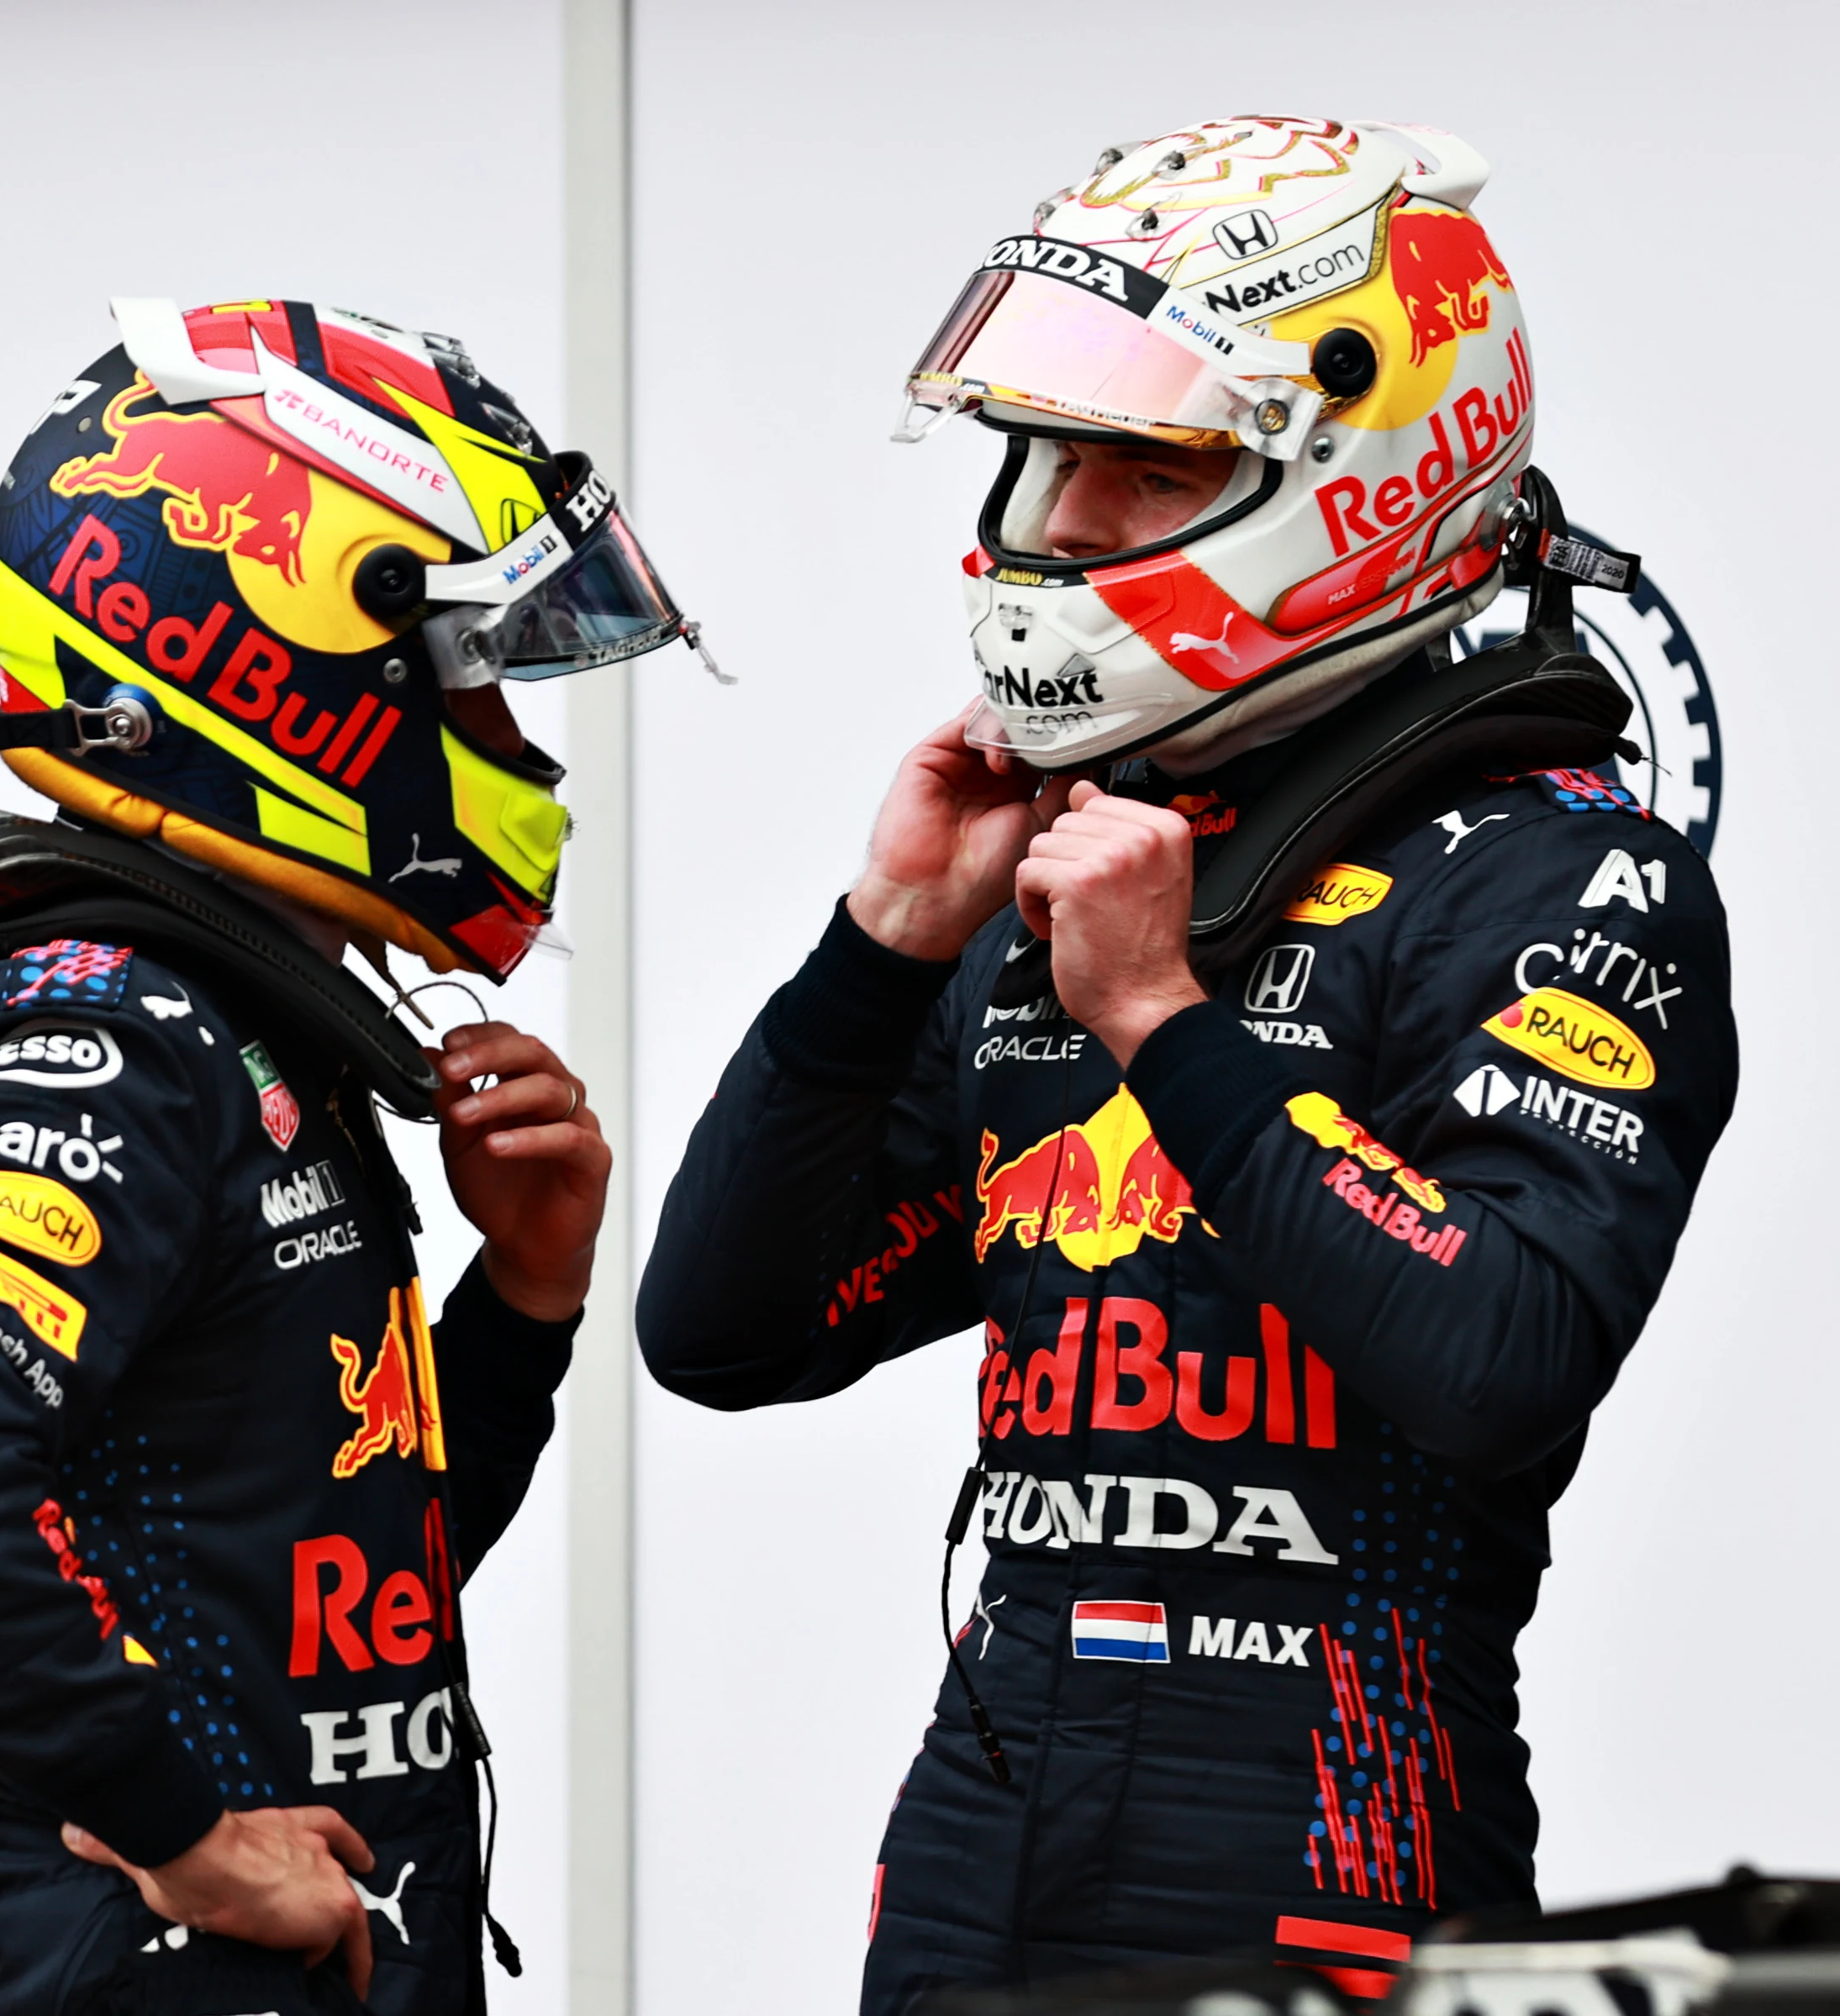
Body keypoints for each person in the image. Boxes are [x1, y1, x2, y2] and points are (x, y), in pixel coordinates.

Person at [635, 116, 1737, 2007]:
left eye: (1141, 466)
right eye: (1047, 457)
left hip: (1326, 1842)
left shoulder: (1565, 870)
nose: (1057, 526)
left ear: (1365, 480)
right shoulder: (1081, 866)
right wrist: (879, 943)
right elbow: (724, 1332)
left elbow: (1497, 1356)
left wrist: (1159, 1020)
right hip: (983, 1828)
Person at [0, 297, 712, 2015]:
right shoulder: (104, 1030)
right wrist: (178, 1822)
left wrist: (517, 1300)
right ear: (278, 658)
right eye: (473, 678)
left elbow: (345, 1587)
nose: (511, 745)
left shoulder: (237, 1019)